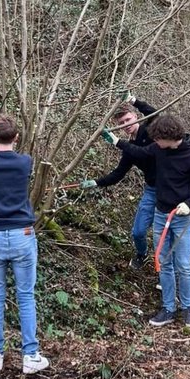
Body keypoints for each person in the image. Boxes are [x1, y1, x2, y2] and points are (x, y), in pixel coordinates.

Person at [106, 113, 190, 330]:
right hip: (161, 215)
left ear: (170, 137)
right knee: (163, 264)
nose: (155, 143)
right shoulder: (158, 149)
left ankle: (188, 308)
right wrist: (118, 142)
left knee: (183, 264)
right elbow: (140, 152)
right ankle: (168, 308)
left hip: (182, 218)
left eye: (158, 140)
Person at [0, 115, 49, 375]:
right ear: (17, 138)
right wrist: (0, 131)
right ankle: (30, 356)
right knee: (26, 296)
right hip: (22, 234)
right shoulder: (24, 162)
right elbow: (3, 146)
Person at [82, 95, 159, 270]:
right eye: (122, 122)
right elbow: (118, 174)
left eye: (128, 119)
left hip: (170, 189)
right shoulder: (128, 149)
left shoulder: (150, 130)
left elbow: (155, 115)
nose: (126, 124)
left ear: (136, 117)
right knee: (138, 232)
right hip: (152, 190)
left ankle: (166, 266)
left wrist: (134, 100)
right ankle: (142, 254)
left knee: (164, 234)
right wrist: (96, 182)